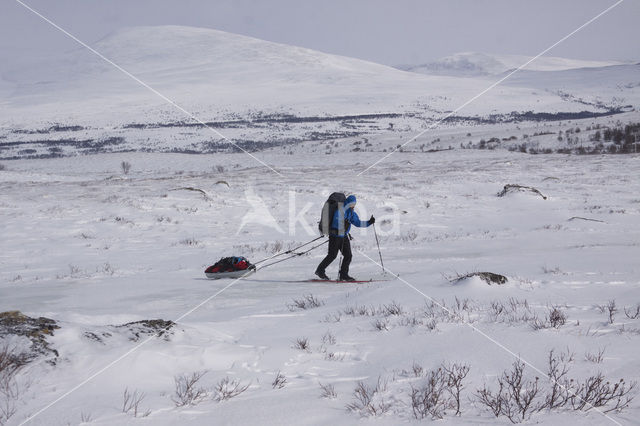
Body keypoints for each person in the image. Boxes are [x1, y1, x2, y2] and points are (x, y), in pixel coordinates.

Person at [315, 194, 375, 281]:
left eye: (354, 204)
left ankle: (344, 275)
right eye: (352, 204)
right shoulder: (340, 210)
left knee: (348, 256)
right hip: (335, 236)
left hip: (343, 236)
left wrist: (369, 222)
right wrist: (344, 223)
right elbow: (336, 223)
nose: (353, 205)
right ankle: (320, 270)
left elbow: (358, 223)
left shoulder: (351, 213)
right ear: (348, 203)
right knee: (332, 255)